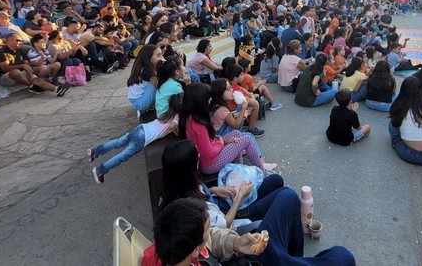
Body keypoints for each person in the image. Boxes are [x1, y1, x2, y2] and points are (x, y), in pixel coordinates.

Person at [143, 197, 356, 266]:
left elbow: (213, 238)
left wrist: (236, 243)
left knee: (289, 198)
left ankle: (290, 259)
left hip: (243, 254)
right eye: (207, 229)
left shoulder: (167, 247)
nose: (211, 231)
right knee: (343, 257)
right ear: (195, 250)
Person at [158, 140, 284, 227]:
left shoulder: (179, 184)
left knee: (276, 180)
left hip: (224, 203)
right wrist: (240, 196)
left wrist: (213, 190)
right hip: (235, 216)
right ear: (188, 168)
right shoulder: (195, 209)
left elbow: (198, 191)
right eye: (197, 158)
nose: (199, 157)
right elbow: (224, 224)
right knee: (284, 195)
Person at [89, 93, 182, 184]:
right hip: (143, 137)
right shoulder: (177, 117)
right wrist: (178, 134)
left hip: (141, 128)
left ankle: (94, 151)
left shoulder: (168, 112)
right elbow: (172, 126)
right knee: (123, 156)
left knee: (118, 142)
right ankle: (100, 170)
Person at [179, 82, 268, 174]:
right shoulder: (198, 124)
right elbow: (208, 152)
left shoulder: (192, 117)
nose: (210, 100)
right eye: (208, 98)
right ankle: (262, 171)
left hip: (208, 157)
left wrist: (223, 140)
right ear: (200, 101)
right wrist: (222, 143)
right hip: (210, 164)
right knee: (247, 139)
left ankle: (240, 170)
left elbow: (208, 141)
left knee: (236, 134)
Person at [0, 33, 70, 96]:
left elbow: (26, 63)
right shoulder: (1, 52)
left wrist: (30, 73)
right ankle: (32, 86)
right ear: (10, 40)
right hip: (7, 77)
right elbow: (5, 68)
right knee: (16, 72)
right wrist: (22, 66)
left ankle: (57, 89)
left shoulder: (20, 50)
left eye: (21, 41)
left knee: (35, 78)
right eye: (18, 40)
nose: (21, 42)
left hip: (21, 73)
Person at [127, 44, 164, 114]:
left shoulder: (148, 67)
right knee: (157, 83)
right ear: (149, 58)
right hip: (140, 102)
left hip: (139, 99)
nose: (162, 58)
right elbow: (158, 85)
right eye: (158, 56)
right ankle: (149, 107)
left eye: (162, 55)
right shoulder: (146, 70)